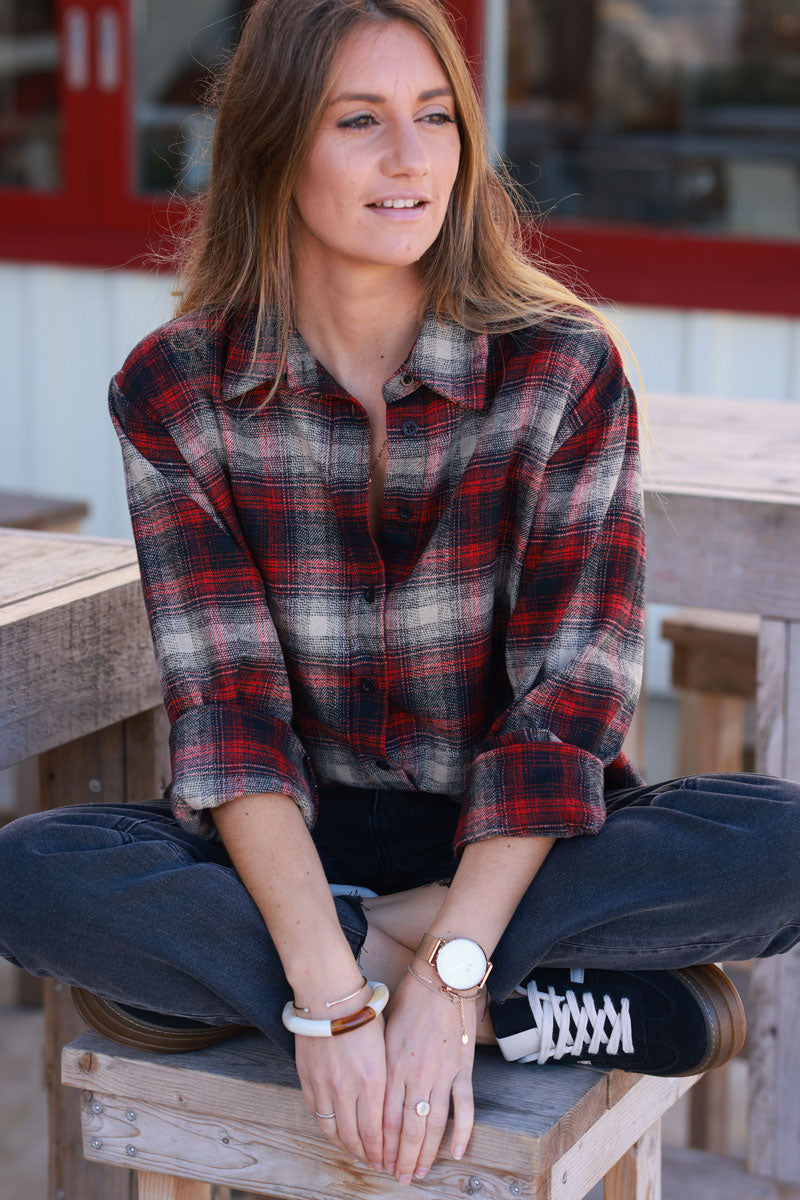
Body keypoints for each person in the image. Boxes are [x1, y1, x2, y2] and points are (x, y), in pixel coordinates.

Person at [1, 0, 799, 1188]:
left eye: (434, 118)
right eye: (360, 121)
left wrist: (452, 966)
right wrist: (336, 990)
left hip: (515, 838)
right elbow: (229, 718)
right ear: (274, 149)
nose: (411, 158)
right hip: (288, 838)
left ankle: (311, 976)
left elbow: (566, 711)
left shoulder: (561, 368)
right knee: (31, 875)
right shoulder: (176, 389)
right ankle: (545, 997)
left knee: (776, 846)